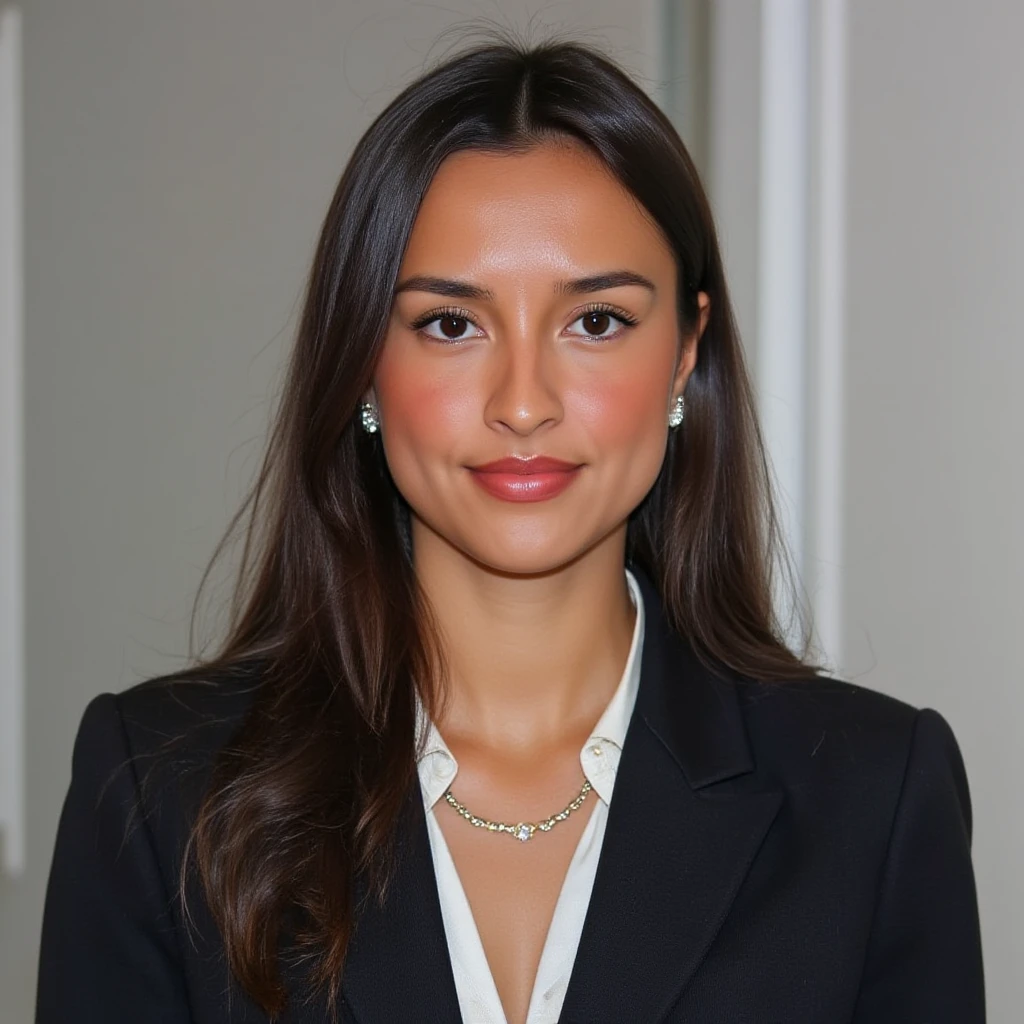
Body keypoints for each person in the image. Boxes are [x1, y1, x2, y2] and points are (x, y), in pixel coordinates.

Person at [35, 34, 985, 1024]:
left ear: (684, 354)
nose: (522, 402)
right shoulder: (159, 796)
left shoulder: (872, 800)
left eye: (597, 321)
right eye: (451, 325)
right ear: (363, 362)